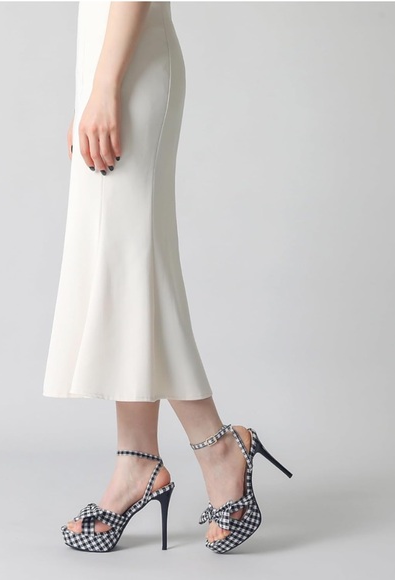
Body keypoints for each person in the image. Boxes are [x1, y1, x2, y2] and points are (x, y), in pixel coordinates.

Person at [42, 1, 292, 554]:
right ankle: (137, 458)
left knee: (136, 269)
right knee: (123, 271)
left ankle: (216, 448)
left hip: (129, 71)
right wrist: (90, 92)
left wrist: (104, 89)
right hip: (115, 68)